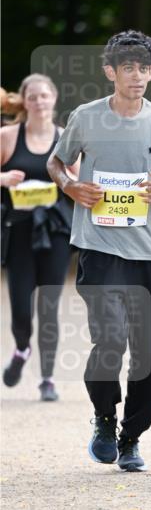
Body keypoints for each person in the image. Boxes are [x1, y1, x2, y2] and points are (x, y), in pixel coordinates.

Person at [47, 30, 151, 472]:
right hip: (99, 246)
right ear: (110, 71)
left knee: (149, 354)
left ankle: (131, 436)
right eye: (129, 68)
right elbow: (57, 162)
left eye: (145, 68)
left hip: (148, 252)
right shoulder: (86, 117)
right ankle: (104, 416)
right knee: (109, 338)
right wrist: (71, 187)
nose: (138, 76)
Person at [1, 74, 74, 401]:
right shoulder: (7, 136)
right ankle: (21, 349)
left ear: (54, 99)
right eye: (33, 97)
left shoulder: (66, 137)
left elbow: (77, 180)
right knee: (19, 306)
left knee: (49, 304)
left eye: (45, 96)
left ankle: (47, 378)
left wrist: (69, 180)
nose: (39, 102)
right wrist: (4, 179)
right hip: (18, 230)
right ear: (25, 101)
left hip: (55, 231)